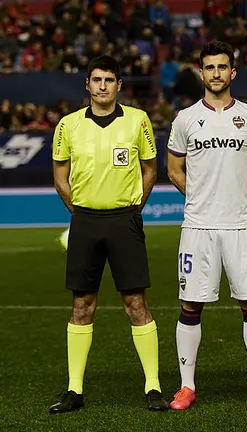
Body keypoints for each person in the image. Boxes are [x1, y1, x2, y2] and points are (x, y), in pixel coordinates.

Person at [49, 55, 168, 413]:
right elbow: (60, 177)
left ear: (119, 85)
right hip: (84, 221)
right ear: (87, 84)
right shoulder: (68, 126)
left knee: (136, 304)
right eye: (96, 79)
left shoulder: (137, 121)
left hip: (124, 221)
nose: (102, 85)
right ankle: (74, 391)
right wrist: (80, 212)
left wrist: (133, 210)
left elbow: (150, 170)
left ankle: (153, 387)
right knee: (82, 305)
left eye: (109, 80)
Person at [164, 40, 247, 410]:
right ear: (201, 73)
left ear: (233, 72)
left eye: (222, 67)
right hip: (198, 226)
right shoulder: (184, 120)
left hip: (241, 226)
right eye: (209, 67)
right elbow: (174, 169)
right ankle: (186, 386)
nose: (216, 73)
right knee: (191, 304)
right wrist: (196, 195)